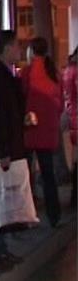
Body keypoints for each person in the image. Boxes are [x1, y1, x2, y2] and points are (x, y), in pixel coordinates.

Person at [0, 30, 25, 266]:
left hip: (8, 145)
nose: (20, 50)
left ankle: (1, 248)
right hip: (2, 150)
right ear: (8, 48)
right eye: (17, 46)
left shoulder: (5, 74)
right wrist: (3, 151)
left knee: (3, 199)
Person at [22, 37, 63, 226]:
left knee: (26, 174)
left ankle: (27, 214)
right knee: (48, 174)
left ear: (31, 51)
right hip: (48, 131)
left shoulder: (28, 72)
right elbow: (60, 104)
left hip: (30, 129)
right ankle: (54, 214)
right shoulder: (53, 73)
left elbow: (21, 99)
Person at [62, 48, 77, 209]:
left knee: (74, 159)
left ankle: (74, 195)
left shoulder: (67, 70)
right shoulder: (76, 72)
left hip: (71, 116)